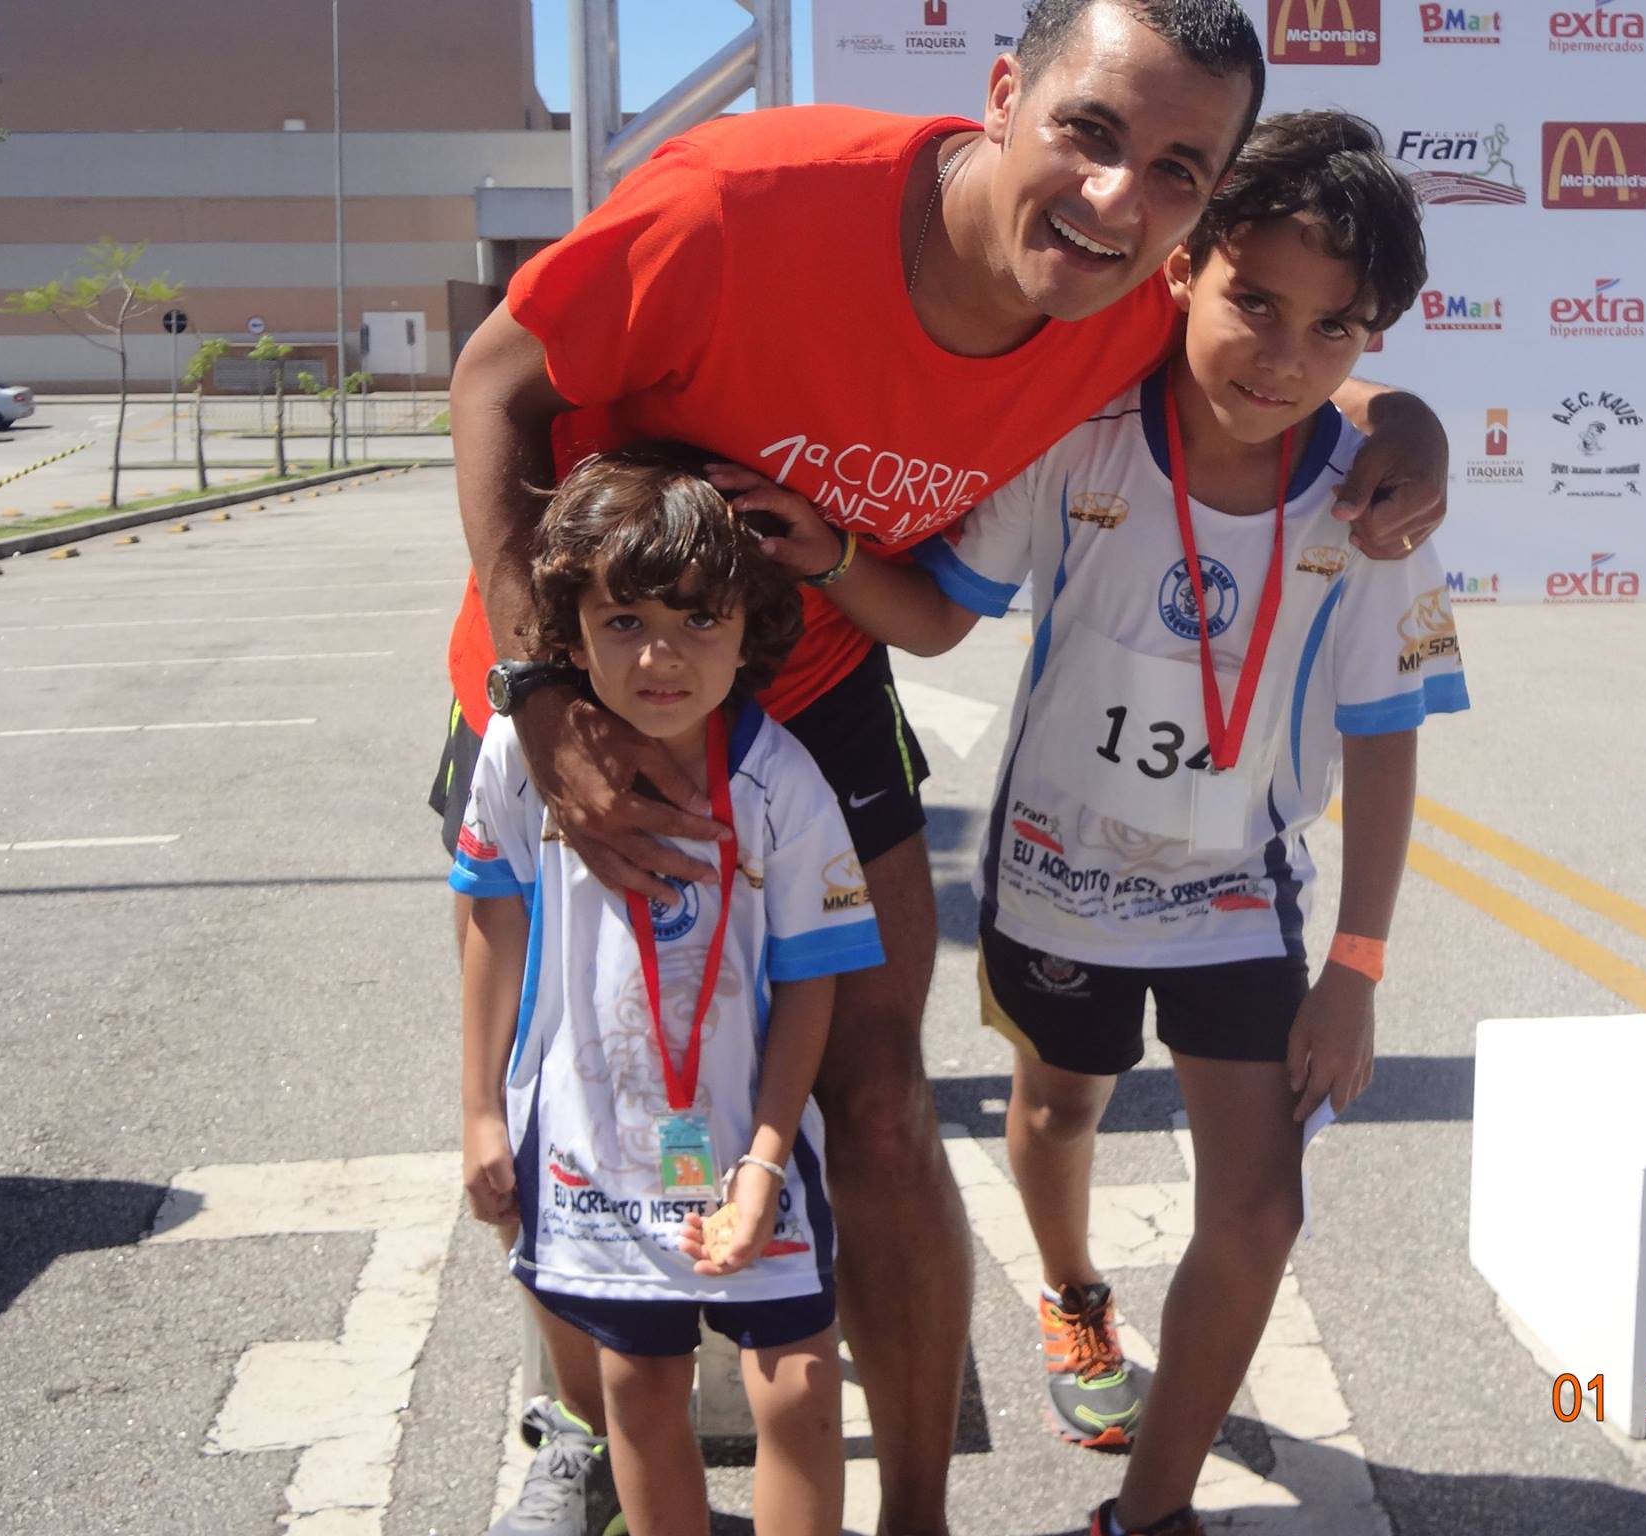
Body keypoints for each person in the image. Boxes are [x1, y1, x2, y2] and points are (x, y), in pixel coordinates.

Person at [441, 4, 1451, 1527]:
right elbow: (491, 382)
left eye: (1174, 170)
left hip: (812, 680)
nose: (1114, 196)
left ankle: (912, 1512)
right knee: (581, 1075)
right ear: (1000, 94)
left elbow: (1286, 358)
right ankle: (576, 1427)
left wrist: (1404, 422)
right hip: (581, 670)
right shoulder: (745, 201)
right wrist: (536, 690)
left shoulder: (1126, 290)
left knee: (881, 1105)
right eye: (1089, 131)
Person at [723, 111, 1465, 1536]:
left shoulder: (1373, 511)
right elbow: (936, 618)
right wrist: (828, 556)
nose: (1283, 356)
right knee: (1059, 1107)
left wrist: (1356, 968)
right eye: (1255, 302)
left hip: (1233, 895)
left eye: (1334, 329)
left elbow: (1384, 738)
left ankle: (1150, 1511)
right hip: (1055, 879)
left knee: (1260, 1208)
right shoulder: (1079, 436)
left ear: (1370, 340)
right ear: (1183, 270)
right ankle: (1072, 1297)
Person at [454, 445, 884, 1536]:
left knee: (798, 1384)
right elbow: (492, 921)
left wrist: (765, 1161)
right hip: (589, 1149)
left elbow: (810, 986)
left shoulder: (780, 780)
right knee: (637, 1392)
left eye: (699, 619)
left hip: (743, 1141)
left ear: (749, 628)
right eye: (623, 621)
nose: (661, 656)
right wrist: (478, 1113)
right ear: (568, 629)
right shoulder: (519, 756)